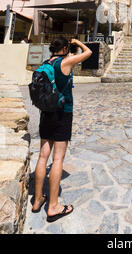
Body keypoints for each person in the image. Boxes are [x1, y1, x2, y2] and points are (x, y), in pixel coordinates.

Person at [32, 36, 92, 221]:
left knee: (43, 156)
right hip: (62, 113)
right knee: (57, 159)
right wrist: (78, 42)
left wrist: (69, 46)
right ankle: (53, 206)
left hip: (46, 114)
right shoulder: (65, 62)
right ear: (65, 47)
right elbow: (89, 52)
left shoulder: (46, 63)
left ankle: (37, 200)